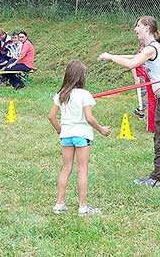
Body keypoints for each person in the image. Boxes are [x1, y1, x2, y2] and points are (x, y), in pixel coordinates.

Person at [98, 16, 160, 187]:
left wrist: (111, 56)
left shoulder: (151, 49)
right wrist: (112, 56)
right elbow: (134, 56)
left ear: (147, 28)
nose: (135, 29)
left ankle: (158, 178)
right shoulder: (153, 48)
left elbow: (131, 64)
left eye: (138, 26)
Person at [49, 60, 111, 216]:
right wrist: (101, 129)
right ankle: (83, 207)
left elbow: (51, 116)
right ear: (81, 77)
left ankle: (59, 203)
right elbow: (89, 118)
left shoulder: (61, 94)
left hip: (66, 136)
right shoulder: (85, 95)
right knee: (82, 169)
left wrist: (59, 130)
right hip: (82, 136)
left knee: (66, 168)